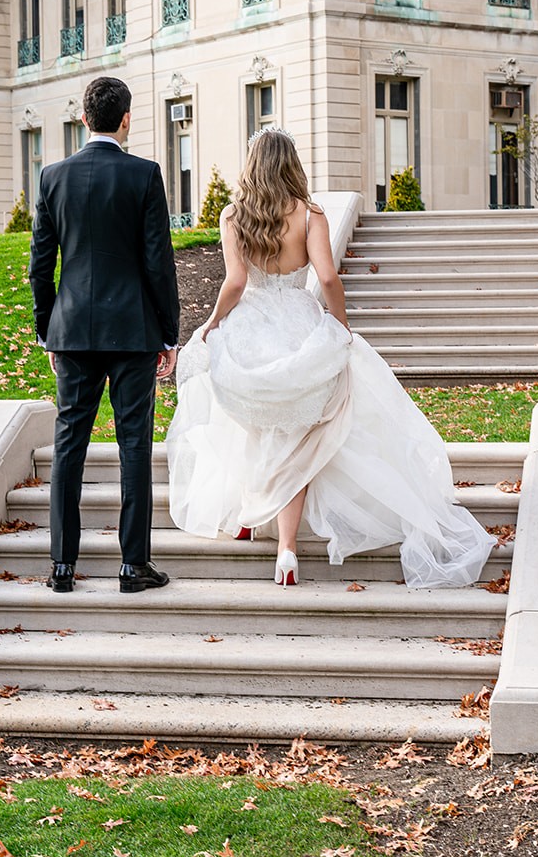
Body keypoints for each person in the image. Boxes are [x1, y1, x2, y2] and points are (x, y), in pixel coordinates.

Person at [165, 128, 496, 588]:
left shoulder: (233, 215)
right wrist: (339, 326)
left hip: (251, 330)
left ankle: (248, 515)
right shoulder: (309, 214)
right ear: (291, 163)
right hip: (299, 328)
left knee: (253, 427)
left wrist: (213, 323)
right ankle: (285, 548)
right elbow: (327, 278)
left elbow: (236, 282)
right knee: (296, 439)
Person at [29, 76, 180, 594]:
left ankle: (62, 567)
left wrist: (47, 330)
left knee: (68, 444)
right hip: (133, 330)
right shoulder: (144, 175)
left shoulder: (52, 177)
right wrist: (169, 332)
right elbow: (159, 261)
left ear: (84, 118)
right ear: (126, 119)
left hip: (72, 330)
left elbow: (40, 266)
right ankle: (133, 566)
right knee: (133, 444)